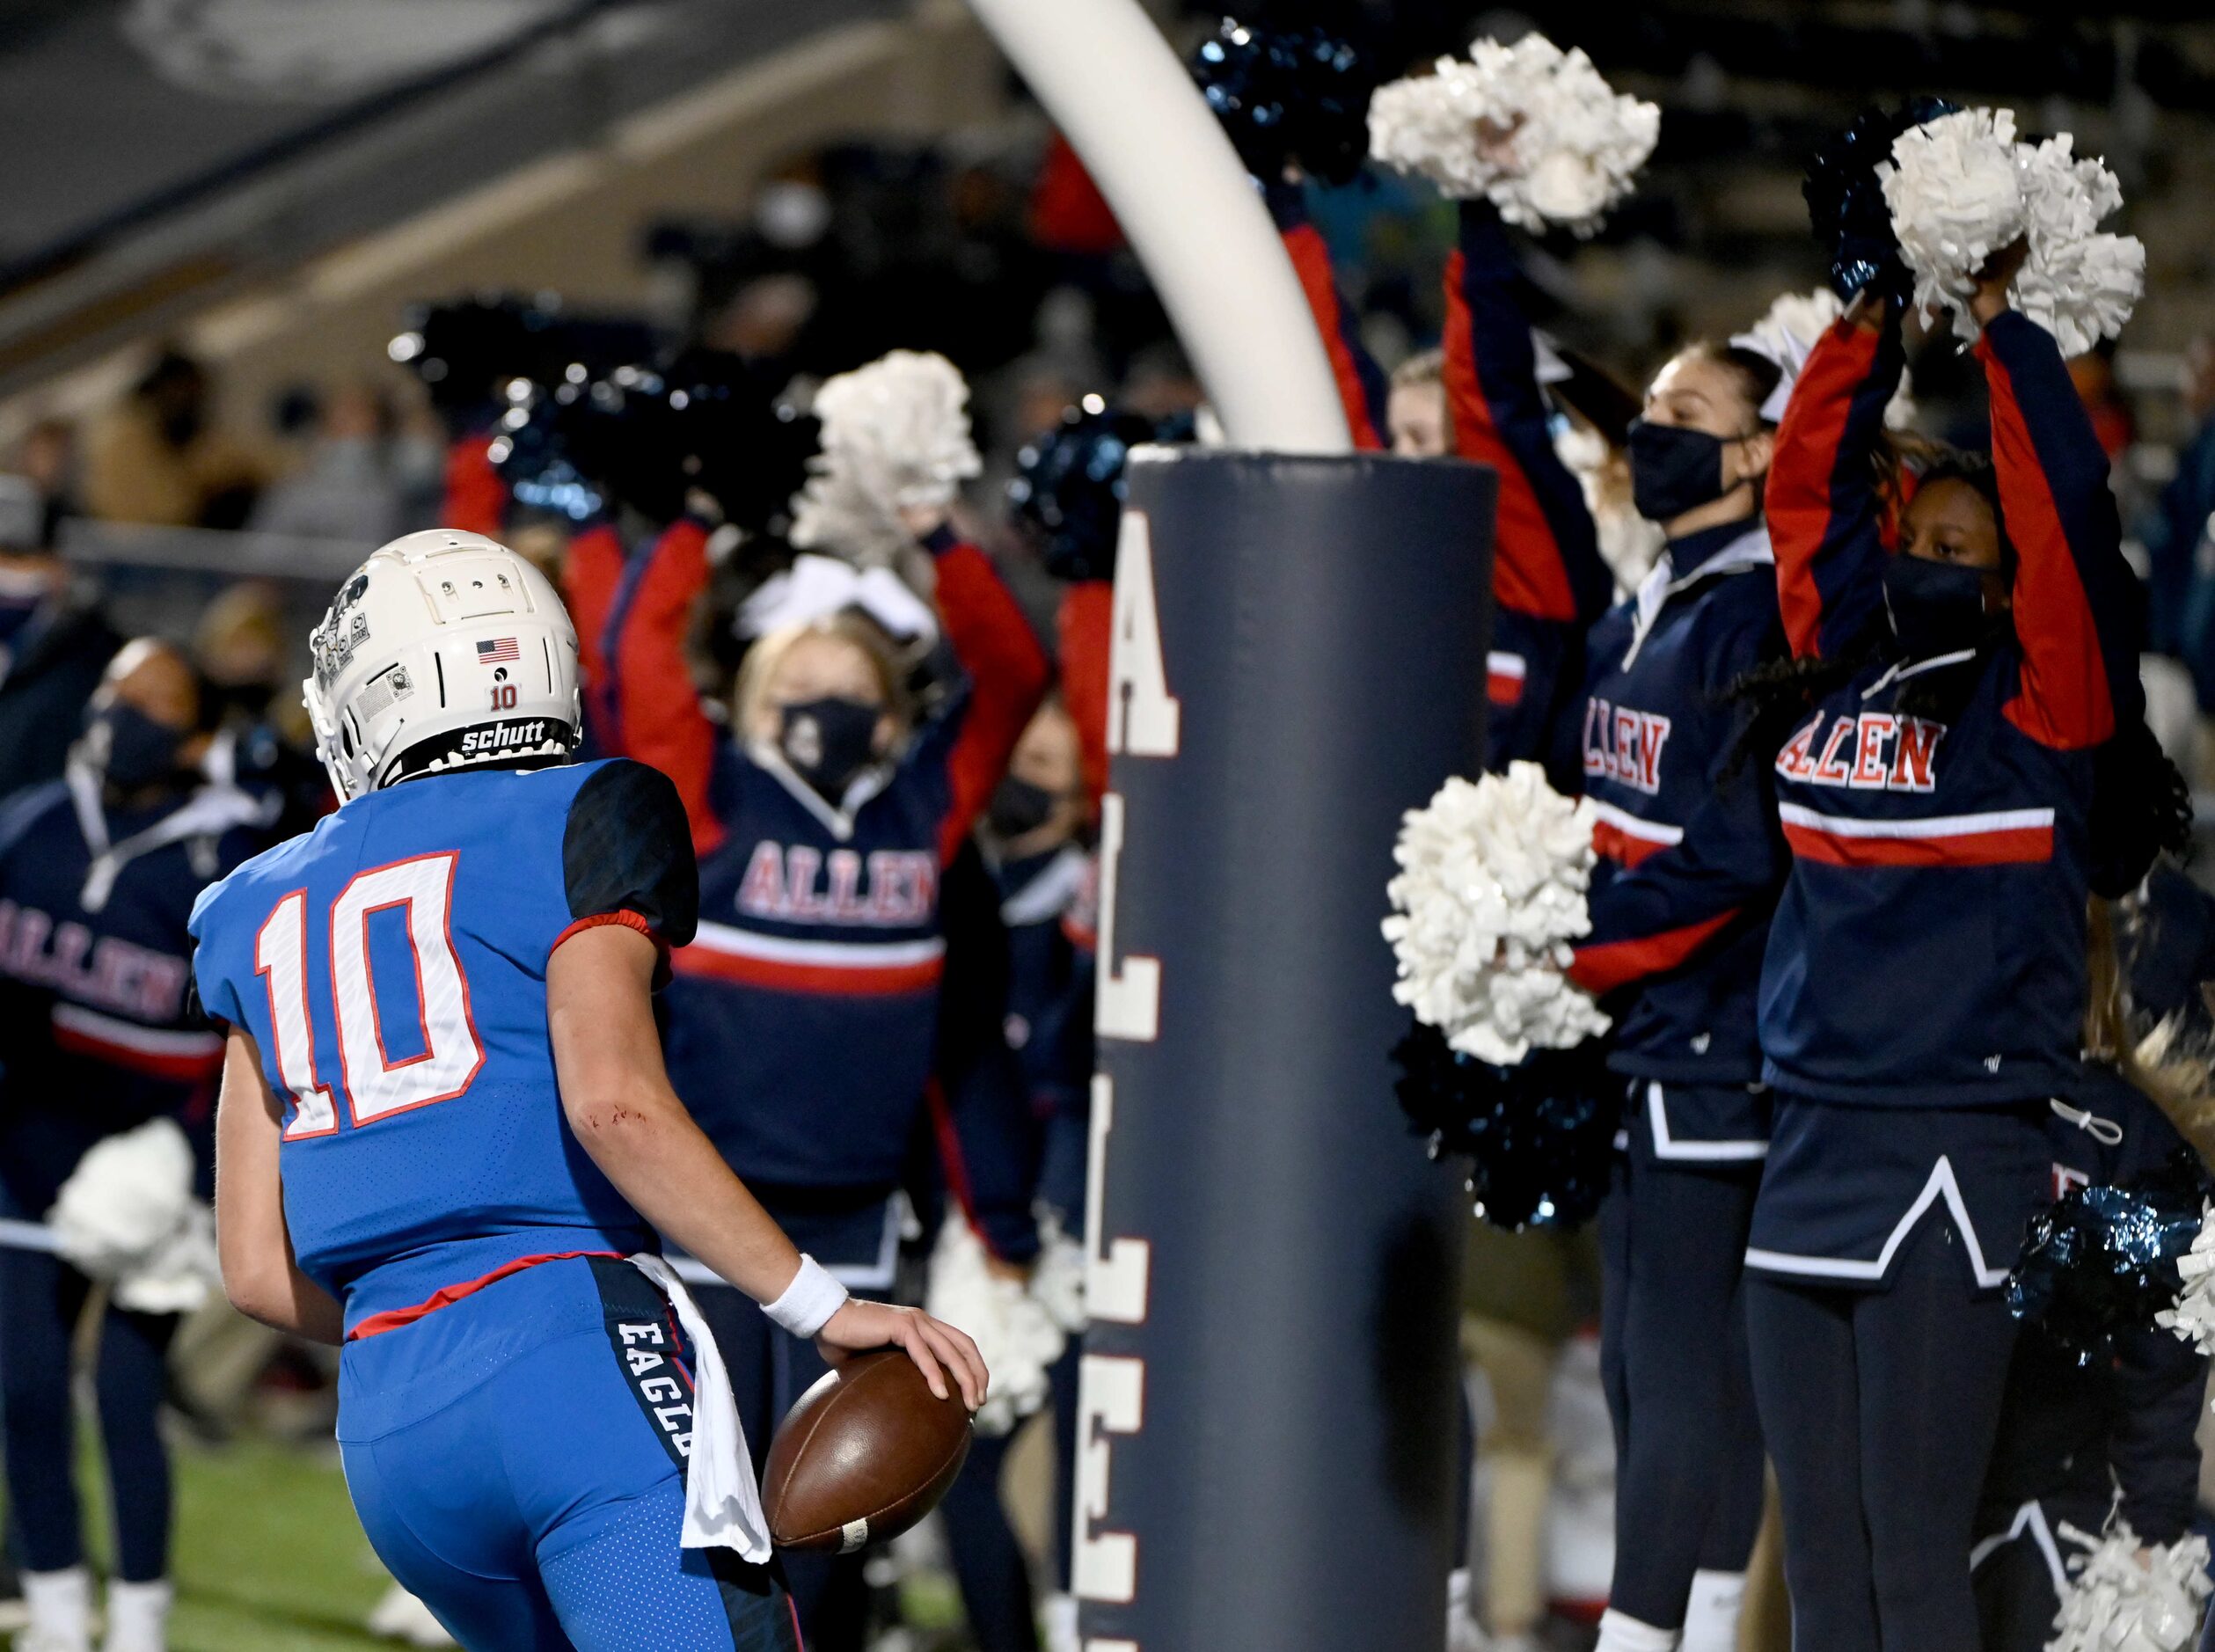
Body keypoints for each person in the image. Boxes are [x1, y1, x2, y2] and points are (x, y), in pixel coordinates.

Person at [189, 529, 986, 1652]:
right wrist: (821, 1304)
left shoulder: (245, 905)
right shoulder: (579, 813)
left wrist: (422, 1313)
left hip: (390, 1421)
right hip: (568, 1357)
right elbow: (613, 1103)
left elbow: (257, 1271)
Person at [1739, 250, 2143, 1648]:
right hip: (1806, 1142)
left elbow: (2065, 499)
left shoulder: (2044, 707)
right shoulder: (1835, 665)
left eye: (1969, 551)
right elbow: (1802, 493)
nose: (1935, 560)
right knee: (1821, 1563)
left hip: (1951, 1148)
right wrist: (1861, 321)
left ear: (2016, 581)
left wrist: (1996, 327)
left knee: (1914, 1554)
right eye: (1923, 537)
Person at [565, 501, 1048, 1647]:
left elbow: (1013, 667)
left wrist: (931, 522)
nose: (823, 716)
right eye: (796, 692)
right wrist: (694, 515)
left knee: (827, 1530)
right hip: (705, 1227)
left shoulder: (923, 812)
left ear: (892, 713)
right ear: (751, 698)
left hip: (859, 1228)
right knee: (697, 1516)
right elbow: (636, 654)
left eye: (853, 695)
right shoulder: (711, 795)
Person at [1562, 333, 1789, 1652]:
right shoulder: (1655, 595)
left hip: (1713, 1025)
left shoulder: (1751, 611)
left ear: (1758, 450)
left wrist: (1581, 936)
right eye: (1645, 408)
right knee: (1634, 1362)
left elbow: (1735, 851)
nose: (1652, 429)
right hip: (1639, 1024)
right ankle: (1692, 1635)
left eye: (1686, 412)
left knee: (1681, 1363)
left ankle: (1645, 1638)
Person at [0, 639, 269, 1652]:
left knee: (123, 1398)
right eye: (115, 694)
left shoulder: (230, 855)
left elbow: (251, 1028)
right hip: (29, 1147)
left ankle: (142, 1625)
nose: (123, 716)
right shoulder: (28, 826)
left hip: (158, 1166)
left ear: (197, 737)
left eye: (154, 704)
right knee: (23, 1391)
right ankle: (60, 1615)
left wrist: (196, 1166)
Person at [82, 350, 264, 530]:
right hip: (139, 545)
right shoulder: (125, 436)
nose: (190, 403)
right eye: (182, 391)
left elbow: (247, 467)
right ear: (160, 390)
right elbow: (167, 512)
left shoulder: (187, 435)